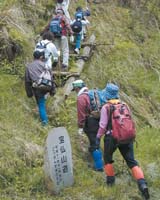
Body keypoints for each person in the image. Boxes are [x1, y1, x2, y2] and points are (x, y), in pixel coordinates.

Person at [95, 83, 150, 199]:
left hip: (112, 138)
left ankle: (110, 184)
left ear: (107, 94)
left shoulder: (106, 107)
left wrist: (98, 137)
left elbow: (103, 125)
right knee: (132, 162)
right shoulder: (125, 105)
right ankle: (142, 184)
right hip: (127, 137)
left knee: (108, 160)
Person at [72, 79, 104, 171]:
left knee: (94, 145)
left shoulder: (81, 98)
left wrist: (80, 127)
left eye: (75, 89)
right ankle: (101, 162)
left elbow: (81, 114)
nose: (75, 91)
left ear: (77, 88)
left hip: (90, 123)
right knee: (96, 142)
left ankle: (99, 167)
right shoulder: (93, 93)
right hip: (99, 120)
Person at [25, 51, 55, 126]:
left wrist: (29, 93)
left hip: (37, 87)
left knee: (41, 104)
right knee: (42, 101)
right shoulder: (45, 65)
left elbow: (27, 81)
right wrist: (53, 90)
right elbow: (51, 77)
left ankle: (45, 123)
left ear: (33, 57)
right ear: (41, 57)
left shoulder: (29, 66)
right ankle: (45, 114)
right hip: (47, 86)